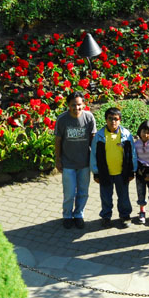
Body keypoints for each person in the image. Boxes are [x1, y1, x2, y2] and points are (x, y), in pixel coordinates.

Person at [55, 91, 96, 229]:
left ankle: (79, 214)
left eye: (79, 105)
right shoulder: (62, 119)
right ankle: (67, 215)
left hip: (84, 163)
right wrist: (58, 160)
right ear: (68, 105)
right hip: (68, 163)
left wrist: (95, 160)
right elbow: (58, 140)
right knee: (69, 193)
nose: (76, 108)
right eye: (73, 105)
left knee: (83, 192)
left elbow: (93, 139)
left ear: (83, 104)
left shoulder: (89, 117)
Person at [91, 107, 137, 229]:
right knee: (106, 197)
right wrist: (96, 172)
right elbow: (94, 155)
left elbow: (132, 153)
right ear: (106, 120)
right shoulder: (99, 136)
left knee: (123, 196)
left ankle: (125, 215)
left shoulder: (126, 135)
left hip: (122, 173)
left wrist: (132, 170)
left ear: (120, 120)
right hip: (105, 173)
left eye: (116, 119)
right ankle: (106, 217)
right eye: (110, 119)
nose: (113, 121)